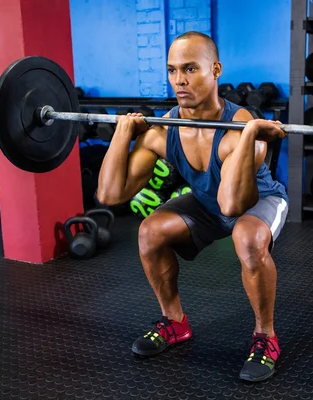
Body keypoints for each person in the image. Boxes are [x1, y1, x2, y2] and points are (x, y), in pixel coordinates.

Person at [96, 31, 289, 382]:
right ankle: (175, 323)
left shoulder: (240, 128)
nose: (178, 80)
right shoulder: (162, 131)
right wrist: (123, 132)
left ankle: (266, 337)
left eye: (189, 68)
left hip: (257, 201)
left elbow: (232, 206)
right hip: (207, 201)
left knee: (246, 238)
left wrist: (248, 135)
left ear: (215, 70)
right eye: (172, 70)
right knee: (149, 230)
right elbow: (110, 195)